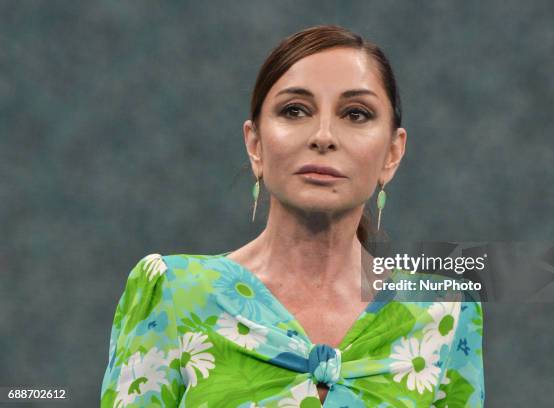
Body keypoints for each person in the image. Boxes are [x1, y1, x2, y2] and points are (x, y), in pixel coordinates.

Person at [100, 24, 484, 407]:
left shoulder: (442, 309)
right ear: (255, 144)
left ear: (392, 153)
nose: (323, 136)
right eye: (294, 110)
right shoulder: (173, 293)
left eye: (355, 113)